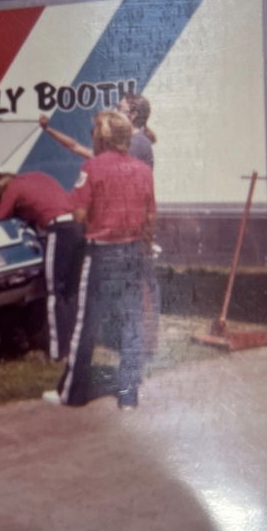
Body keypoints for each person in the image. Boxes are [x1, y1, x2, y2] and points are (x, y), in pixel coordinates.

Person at [43, 110, 155, 410]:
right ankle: (128, 396)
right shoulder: (143, 170)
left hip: (102, 252)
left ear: (102, 136)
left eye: (94, 131)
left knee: (86, 324)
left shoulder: (92, 168)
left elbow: (79, 215)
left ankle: (71, 394)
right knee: (131, 323)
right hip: (133, 251)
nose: (91, 135)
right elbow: (150, 216)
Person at [0, 171, 86, 361]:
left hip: (59, 230)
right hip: (77, 228)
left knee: (54, 292)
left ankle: (58, 354)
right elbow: (41, 204)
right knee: (71, 292)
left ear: (1, 185)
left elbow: (1, 218)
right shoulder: (38, 177)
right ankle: (73, 350)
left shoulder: (13, 187)